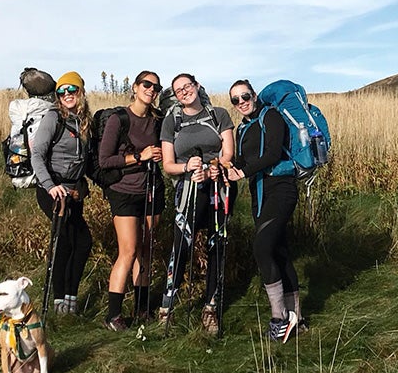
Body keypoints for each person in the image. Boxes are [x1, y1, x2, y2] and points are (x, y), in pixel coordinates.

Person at [159, 73, 237, 334]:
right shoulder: (172, 121)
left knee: (217, 245)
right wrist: (187, 167)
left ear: (197, 86)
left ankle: (210, 308)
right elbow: (168, 165)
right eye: (178, 90)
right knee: (181, 246)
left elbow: (228, 153)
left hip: (219, 187)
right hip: (188, 189)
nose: (184, 92)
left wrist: (215, 166)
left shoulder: (219, 114)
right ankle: (166, 308)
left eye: (187, 86)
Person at [226, 79, 302, 343]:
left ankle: (279, 318)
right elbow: (243, 161)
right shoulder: (243, 128)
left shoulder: (272, 117)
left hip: (281, 188)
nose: (241, 102)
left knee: (262, 247)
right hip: (259, 192)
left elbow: (271, 154)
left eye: (245, 96)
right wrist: (228, 167)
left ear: (254, 94)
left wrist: (243, 172)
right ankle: (297, 318)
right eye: (235, 100)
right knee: (278, 250)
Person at [98, 70, 165, 331]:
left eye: (156, 87)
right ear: (135, 87)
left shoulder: (157, 120)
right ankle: (113, 315)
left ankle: (142, 309)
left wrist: (158, 156)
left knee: (146, 250)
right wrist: (140, 157)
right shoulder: (119, 119)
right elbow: (105, 161)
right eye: (146, 84)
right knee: (128, 250)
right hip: (124, 191)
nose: (151, 90)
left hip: (151, 189)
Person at [31, 71, 93, 315]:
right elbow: (36, 155)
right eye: (62, 91)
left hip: (74, 193)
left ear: (81, 92)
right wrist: (50, 185)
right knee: (68, 241)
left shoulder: (86, 121)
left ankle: (69, 298)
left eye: (72, 90)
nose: (67, 95)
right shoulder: (53, 118)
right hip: (52, 190)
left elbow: (86, 160)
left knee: (81, 243)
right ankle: (61, 302)